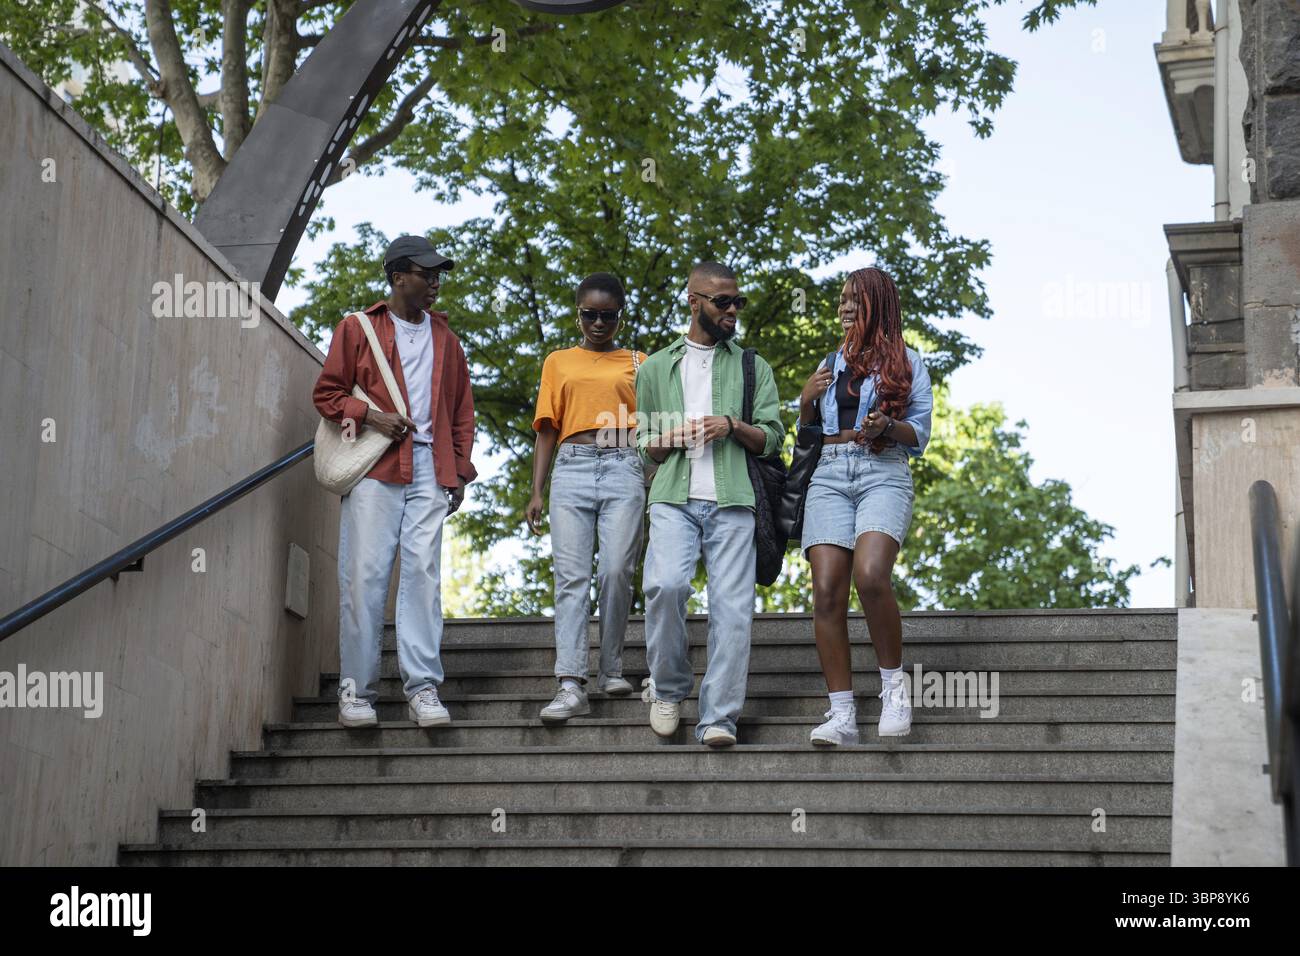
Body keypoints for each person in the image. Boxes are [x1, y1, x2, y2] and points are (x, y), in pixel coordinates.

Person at [312, 235, 477, 729]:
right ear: (398, 276)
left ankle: (423, 688)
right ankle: (356, 692)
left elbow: (462, 411)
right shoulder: (358, 327)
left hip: (431, 466)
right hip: (378, 464)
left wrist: (460, 470)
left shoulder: (446, 339)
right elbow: (327, 393)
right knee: (365, 575)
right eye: (427, 274)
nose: (435, 283)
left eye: (438, 275)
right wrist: (372, 417)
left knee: (423, 576)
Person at [635, 261, 785, 747]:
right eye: (723, 301)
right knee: (665, 585)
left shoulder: (751, 365)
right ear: (694, 301)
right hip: (674, 497)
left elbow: (773, 439)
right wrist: (668, 439)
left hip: (734, 499)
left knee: (734, 611)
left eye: (738, 301)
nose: (733, 310)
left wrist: (732, 426)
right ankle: (668, 687)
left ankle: (719, 716)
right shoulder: (657, 366)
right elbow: (643, 445)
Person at [797, 266, 933, 745]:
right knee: (828, 591)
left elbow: (919, 434)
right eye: (842, 300)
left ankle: (894, 690)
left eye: (856, 299)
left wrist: (885, 428)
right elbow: (808, 437)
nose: (845, 307)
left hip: (883, 471)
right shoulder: (828, 363)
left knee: (871, 575)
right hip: (829, 475)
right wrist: (805, 404)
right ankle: (842, 715)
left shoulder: (909, 362)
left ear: (879, 304)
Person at [526, 273, 648, 721]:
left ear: (619, 315)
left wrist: (653, 479)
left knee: (617, 570)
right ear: (577, 313)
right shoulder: (557, 361)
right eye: (590, 314)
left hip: (623, 464)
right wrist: (536, 490)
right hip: (571, 468)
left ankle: (611, 668)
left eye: (608, 315)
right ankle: (570, 682)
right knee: (572, 578)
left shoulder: (639, 361)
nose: (599, 322)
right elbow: (546, 428)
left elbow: (651, 428)